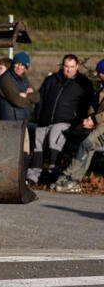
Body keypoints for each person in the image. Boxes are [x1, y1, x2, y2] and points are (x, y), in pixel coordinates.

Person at [32, 54, 95, 183]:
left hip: (65, 121)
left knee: (54, 142)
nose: (69, 70)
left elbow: (88, 104)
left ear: (77, 66)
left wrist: (79, 121)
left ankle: (52, 175)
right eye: (66, 66)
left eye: (72, 67)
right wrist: (38, 116)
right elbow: (40, 98)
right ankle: (32, 176)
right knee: (38, 146)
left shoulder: (83, 83)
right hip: (44, 119)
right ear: (62, 66)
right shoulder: (51, 80)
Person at [53, 58, 104, 193]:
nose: (100, 76)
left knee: (87, 143)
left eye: (102, 73)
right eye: (99, 73)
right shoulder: (102, 88)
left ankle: (69, 176)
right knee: (86, 144)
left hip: (102, 126)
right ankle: (73, 179)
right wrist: (87, 119)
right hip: (99, 125)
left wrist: (94, 120)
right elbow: (95, 107)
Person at [0, 52, 38, 122]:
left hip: (24, 121)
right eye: (17, 64)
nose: (19, 67)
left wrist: (26, 95)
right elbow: (18, 101)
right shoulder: (5, 79)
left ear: (26, 68)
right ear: (13, 64)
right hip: (10, 123)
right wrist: (30, 98)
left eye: (23, 65)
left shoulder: (24, 79)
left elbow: (37, 97)